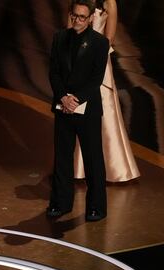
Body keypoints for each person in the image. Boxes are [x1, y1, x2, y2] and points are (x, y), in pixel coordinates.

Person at [47, 0, 110, 222]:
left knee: (93, 159)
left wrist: (76, 99)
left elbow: (96, 79)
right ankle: (60, 203)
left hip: (87, 109)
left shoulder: (100, 43)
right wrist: (63, 97)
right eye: (75, 15)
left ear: (91, 17)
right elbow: (53, 72)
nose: (77, 20)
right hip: (63, 106)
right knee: (62, 157)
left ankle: (96, 207)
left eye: (82, 17)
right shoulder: (59, 38)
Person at [72, 0, 141, 182]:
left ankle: (112, 168)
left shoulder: (110, 3)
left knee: (104, 110)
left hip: (98, 60)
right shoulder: (77, 2)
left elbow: (109, 38)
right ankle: (78, 167)